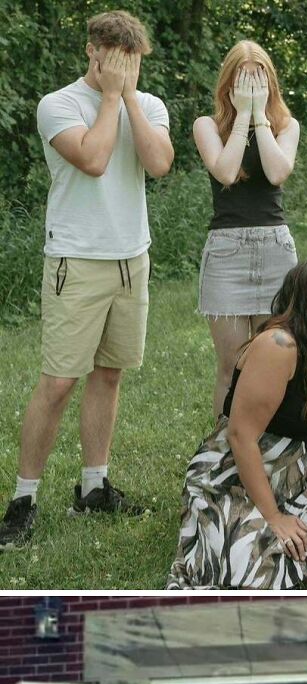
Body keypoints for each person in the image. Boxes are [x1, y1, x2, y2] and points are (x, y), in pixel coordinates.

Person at [0, 11, 173, 552]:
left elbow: (160, 163)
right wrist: (111, 98)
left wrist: (129, 100)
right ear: (93, 54)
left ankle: (93, 487)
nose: (126, 69)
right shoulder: (60, 104)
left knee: (109, 374)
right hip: (76, 262)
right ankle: (23, 500)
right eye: (117, 59)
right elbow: (95, 159)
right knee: (58, 382)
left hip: (131, 260)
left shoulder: (149, 105)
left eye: (134, 60)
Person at [167, 260, 307, 590]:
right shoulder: (278, 346)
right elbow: (241, 436)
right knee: (249, 575)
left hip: (294, 485)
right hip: (234, 477)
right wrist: (273, 518)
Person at [193, 40, 300, 418]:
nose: (253, 89)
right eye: (244, 80)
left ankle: (271, 445)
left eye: (259, 80)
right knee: (231, 364)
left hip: (275, 249)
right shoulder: (207, 126)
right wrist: (241, 117)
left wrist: (260, 117)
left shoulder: (287, 126)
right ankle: (224, 452)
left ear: (270, 82)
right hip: (227, 252)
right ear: (228, 84)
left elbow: (276, 171)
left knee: (274, 359)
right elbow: (224, 172)